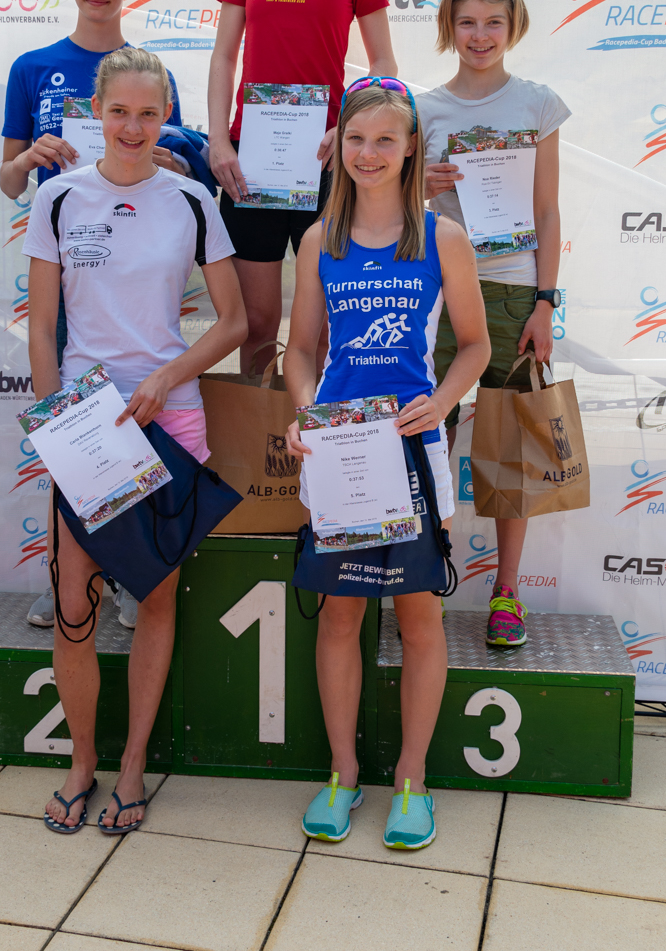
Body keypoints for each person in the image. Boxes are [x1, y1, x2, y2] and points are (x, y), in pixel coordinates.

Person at [23, 47, 246, 832]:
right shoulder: (57, 198)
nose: (132, 127)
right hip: (88, 430)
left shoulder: (192, 199)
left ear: (167, 118)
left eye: (148, 113)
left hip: (170, 420)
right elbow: (42, 330)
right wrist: (56, 424)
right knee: (73, 608)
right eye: (118, 111)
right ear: (96, 111)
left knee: (153, 602)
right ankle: (82, 763)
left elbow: (235, 322)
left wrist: (164, 378)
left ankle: (131, 767)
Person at [284, 79, 489, 849]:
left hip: (412, 453)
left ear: (410, 150)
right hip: (341, 451)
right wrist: (305, 411)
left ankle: (412, 779)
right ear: (337, 144)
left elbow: (476, 346)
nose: (368, 154)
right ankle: (343, 774)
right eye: (356, 139)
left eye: (384, 140)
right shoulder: (320, 240)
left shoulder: (442, 238)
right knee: (340, 615)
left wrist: (441, 402)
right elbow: (300, 352)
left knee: (418, 616)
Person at [0, 0, 185, 630]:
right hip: (67, 277)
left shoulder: (153, 72)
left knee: (140, 427)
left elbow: (176, 168)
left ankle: (136, 573)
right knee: (73, 430)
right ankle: (71, 578)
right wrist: (30, 156)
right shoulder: (32, 67)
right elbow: (8, 182)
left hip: (135, 283)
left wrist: (166, 158)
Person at [208, 0, 396, 374]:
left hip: (327, 164)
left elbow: (384, 66)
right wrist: (219, 140)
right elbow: (224, 56)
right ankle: (260, 431)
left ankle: (316, 431)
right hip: (251, 164)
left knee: (324, 329)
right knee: (257, 325)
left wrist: (351, 128)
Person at [418, 0, 571, 647]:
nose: (480, 36)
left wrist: (545, 302)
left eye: (493, 23)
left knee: (511, 448)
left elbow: (547, 209)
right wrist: (420, 184)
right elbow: (395, 205)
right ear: (449, 27)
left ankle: (507, 591)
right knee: (431, 436)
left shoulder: (537, 104)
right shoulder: (423, 109)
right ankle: (427, 577)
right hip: (440, 291)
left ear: (514, 28)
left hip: (513, 293)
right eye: (468, 22)